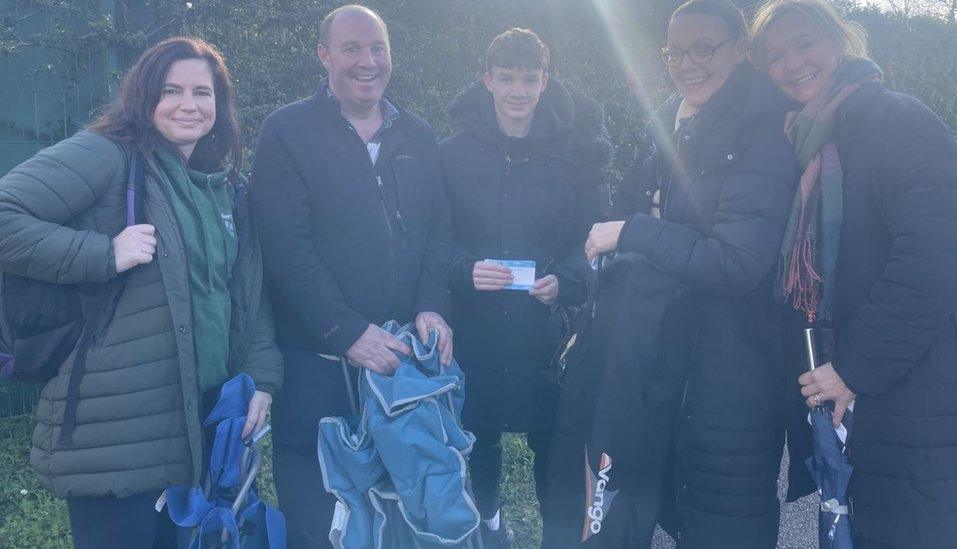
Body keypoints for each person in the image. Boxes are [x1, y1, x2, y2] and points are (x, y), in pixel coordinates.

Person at [0, 36, 282, 549]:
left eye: (203, 92)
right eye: (170, 90)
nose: (188, 105)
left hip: (201, 424)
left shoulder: (223, 186)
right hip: (117, 432)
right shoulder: (106, 155)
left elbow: (245, 292)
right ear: (143, 97)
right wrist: (103, 254)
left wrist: (261, 377)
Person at [751, 1, 957, 546]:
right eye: (775, 55)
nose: (793, 63)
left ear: (840, 42)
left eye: (805, 44)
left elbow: (936, 258)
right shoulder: (801, 143)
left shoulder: (899, 120)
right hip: (860, 390)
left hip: (918, 389)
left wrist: (852, 368)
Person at [578, 0, 798, 546]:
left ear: (741, 51)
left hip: (734, 373)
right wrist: (642, 225)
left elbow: (736, 262)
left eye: (704, 48)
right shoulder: (676, 119)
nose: (687, 63)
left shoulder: (762, 131)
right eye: (674, 51)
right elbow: (630, 202)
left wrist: (638, 230)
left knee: (725, 520)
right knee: (673, 511)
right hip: (674, 358)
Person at [248, 5, 453, 547]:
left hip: (400, 367)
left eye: (378, 48)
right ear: (324, 56)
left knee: (397, 512)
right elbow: (284, 248)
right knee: (321, 520)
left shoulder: (418, 134)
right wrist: (347, 332)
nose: (368, 61)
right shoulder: (286, 131)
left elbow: (438, 231)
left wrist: (432, 305)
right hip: (316, 364)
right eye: (352, 48)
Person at [438, 27, 611, 545]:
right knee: (478, 440)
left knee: (554, 448)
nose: (518, 91)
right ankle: (488, 527)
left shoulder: (577, 154)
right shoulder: (450, 154)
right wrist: (463, 269)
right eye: (507, 78)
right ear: (487, 80)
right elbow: (432, 239)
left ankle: (557, 536)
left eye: (529, 79)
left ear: (545, 81)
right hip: (474, 329)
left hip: (548, 333)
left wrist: (568, 282)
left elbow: (595, 241)